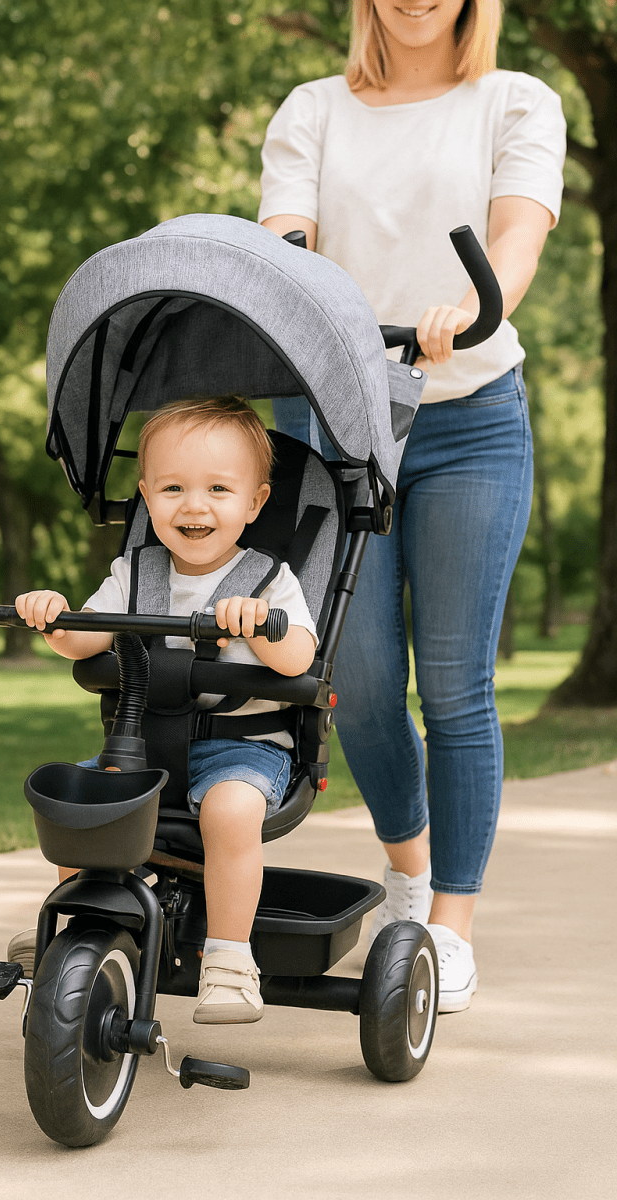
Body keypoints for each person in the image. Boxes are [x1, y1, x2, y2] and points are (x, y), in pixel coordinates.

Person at [258, 0, 566, 1011]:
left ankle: (451, 925)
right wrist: (298, 276)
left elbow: (515, 238)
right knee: (355, 678)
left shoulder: (515, 102)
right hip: (338, 420)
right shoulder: (312, 110)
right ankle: (409, 870)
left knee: (453, 684)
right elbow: (286, 242)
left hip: (470, 416)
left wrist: (476, 306)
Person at [11, 395, 317, 1024]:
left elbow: (300, 659)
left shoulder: (269, 580)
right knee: (84, 804)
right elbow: (86, 639)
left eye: (218, 489)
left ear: (255, 502)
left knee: (230, 813)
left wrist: (263, 627)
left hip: (242, 748)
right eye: (173, 488)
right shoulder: (133, 574)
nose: (194, 506)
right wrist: (55, 618)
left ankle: (229, 960)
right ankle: (81, 930)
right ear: (147, 497)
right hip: (144, 742)